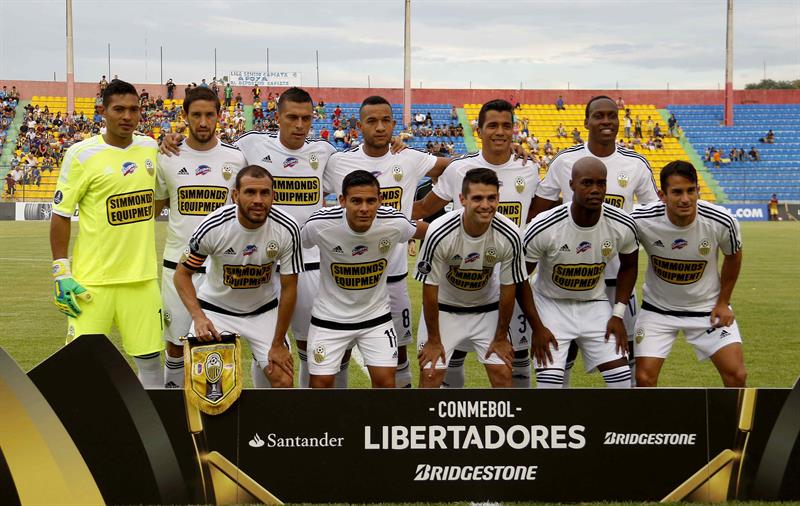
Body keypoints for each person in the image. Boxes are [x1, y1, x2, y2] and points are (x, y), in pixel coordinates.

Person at [161, 87, 338, 388]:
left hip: (293, 266)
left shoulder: (326, 154)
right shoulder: (249, 146)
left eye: (306, 118)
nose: (299, 125)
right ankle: (181, 420)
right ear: (277, 118)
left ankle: (283, 423)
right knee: (190, 363)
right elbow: (205, 146)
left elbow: (365, 172)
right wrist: (173, 138)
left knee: (295, 355)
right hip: (212, 283)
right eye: (291, 117)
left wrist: (393, 145)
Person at [323, 96, 452, 388]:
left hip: (392, 277)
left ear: (394, 124)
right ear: (359, 126)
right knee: (339, 355)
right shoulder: (339, 163)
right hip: (347, 278)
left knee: (399, 353)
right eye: (372, 121)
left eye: (385, 121)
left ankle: (398, 420)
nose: (380, 127)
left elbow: (454, 168)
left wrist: (426, 207)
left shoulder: (409, 158)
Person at [531, 95, 659, 386]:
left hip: (615, 280)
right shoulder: (564, 161)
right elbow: (539, 211)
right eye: (599, 116)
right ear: (586, 121)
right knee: (563, 352)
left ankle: (631, 422)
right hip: (567, 276)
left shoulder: (635, 163)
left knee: (627, 354)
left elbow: (652, 214)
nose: (606, 122)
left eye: (611, 116)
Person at [413, 99, 540, 388]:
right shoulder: (460, 169)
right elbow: (422, 209)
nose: (499, 132)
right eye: (492, 125)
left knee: (514, 363)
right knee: (446, 361)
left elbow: (540, 217)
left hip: (508, 284)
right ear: (479, 130)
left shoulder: (528, 168)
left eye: (506, 126)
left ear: (514, 130)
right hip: (456, 280)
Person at [49, 79, 163, 388]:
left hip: (141, 281)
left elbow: (158, 198)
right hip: (92, 283)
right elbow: (60, 215)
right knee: (82, 368)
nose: (127, 116)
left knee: (152, 367)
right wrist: (61, 272)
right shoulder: (81, 154)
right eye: (119, 109)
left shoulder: (150, 147)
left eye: (134, 109)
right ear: (103, 111)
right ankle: (79, 435)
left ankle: (150, 435)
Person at [154, 86, 248, 388]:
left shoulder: (236, 159)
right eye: (196, 115)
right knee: (175, 345)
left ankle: (213, 410)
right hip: (176, 267)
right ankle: (173, 406)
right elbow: (156, 206)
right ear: (185, 116)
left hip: (219, 269)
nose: (204, 122)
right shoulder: (167, 157)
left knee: (215, 345)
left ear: (220, 116)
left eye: (210, 114)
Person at [175, 165, 303, 388]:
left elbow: (290, 288)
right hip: (217, 312)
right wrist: (198, 317)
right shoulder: (214, 226)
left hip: (263, 311)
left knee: (283, 379)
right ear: (235, 195)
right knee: (210, 387)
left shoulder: (287, 228)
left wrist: (278, 343)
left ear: (274, 195)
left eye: (265, 193)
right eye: (250, 192)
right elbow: (182, 274)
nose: (258, 200)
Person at [301, 170, 426, 388]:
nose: (364, 208)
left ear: (380, 200)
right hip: (329, 319)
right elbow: (294, 242)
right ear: (342, 201)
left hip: (375, 318)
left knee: (386, 383)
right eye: (356, 201)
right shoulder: (320, 225)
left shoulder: (394, 222)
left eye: (371, 201)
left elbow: (426, 231)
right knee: (320, 385)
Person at [524, 157, 638, 388]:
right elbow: (520, 278)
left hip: (594, 304)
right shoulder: (544, 225)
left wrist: (617, 314)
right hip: (550, 305)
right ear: (572, 185)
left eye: (601, 183)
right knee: (550, 386)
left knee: (622, 383)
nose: (595, 190)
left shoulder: (621, 224)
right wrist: (536, 326)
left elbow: (630, 267)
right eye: (587, 183)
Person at [631, 160, 746, 387]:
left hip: (707, 309)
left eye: (690, 190)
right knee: (644, 378)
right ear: (662, 195)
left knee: (737, 375)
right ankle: (652, 423)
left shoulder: (721, 220)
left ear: (697, 190)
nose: (685, 199)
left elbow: (733, 256)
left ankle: (737, 424)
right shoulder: (640, 219)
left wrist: (724, 302)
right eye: (677, 192)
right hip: (658, 311)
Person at [416, 168, 527, 388]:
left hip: (488, 310)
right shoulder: (439, 232)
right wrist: (434, 341)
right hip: (444, 310)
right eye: (477, 198)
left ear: (498, 198)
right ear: (462, 199)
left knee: (503, 374)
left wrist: (501, 337)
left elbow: (508, 289)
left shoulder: (511, 234)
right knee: (430, 376)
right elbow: (429, 291)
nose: (485, 205)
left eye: (491, 198)